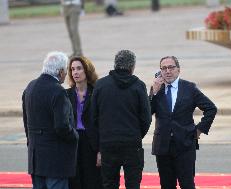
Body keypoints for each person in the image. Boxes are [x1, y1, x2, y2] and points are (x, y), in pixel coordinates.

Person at [150, 56, 217, 189]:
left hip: (185, 145)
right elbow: (147, 113)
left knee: (187, 185)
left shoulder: (189, 88)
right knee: (167, 185)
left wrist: (199, 130)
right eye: (164, 68)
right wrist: (154, 94)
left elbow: (211, 108)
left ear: (178, 70)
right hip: (163, 146)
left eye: (171, 67)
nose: (167, 71)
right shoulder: (157, 89)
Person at [92, 50, 152, 189]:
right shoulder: (138, 86)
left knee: (109, 184)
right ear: (132, 67)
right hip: (132, 143)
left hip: (108, 143)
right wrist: (137, 134)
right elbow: (146, 118)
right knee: (133, 184)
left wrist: (100, 141)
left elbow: (93, 117)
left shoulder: (101, 85)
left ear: (115, 65)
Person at [22, 51, 79, 189]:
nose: (66, 74)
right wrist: (75, 136)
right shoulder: (58, 91)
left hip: (36, 158)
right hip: (56, 160)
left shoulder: (30, 87)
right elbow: (62, 126)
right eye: (65, 70)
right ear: (60, 71)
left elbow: (26, 121)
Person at [66, 56, 102, 189]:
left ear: (87, 70)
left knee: (92, 181)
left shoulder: (97, 93)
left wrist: (101, 150)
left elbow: (102, 124)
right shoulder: (66, 94)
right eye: (72, 69)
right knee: (75, 181)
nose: (75, 72)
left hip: (91, 143)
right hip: (73, 142)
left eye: (79, 68)